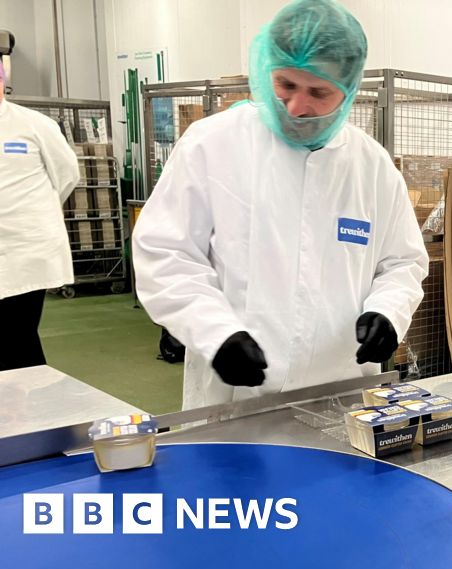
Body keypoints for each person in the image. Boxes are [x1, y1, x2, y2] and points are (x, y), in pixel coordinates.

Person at [132, 0, 428, 409]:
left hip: (341, 393)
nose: (296, 107)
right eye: (285, 85)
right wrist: (215, 333)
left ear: (349, 90)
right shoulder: (212, 145)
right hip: (236, 395)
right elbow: (166, 254)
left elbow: (402, 262)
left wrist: (389, 312)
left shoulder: (371, 166)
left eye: (318, 92)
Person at [0, 61, 79, 371]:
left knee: (16, 337)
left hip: (27, 250)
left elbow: (67, 175)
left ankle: (31, 396)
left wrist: (34, 213)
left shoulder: (35, 125)